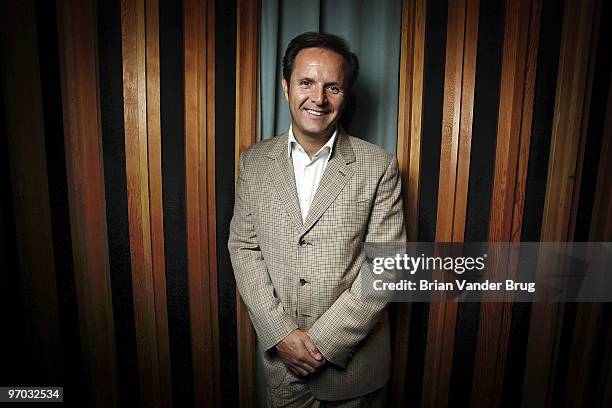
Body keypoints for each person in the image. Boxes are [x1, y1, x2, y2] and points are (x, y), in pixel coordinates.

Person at [229, 32, 406, 407]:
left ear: (346, 94)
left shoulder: (379, 165)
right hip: (281, 367)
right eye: (306, 82)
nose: (318, 98)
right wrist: (280, 334)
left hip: (353, 372)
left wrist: (322, 345)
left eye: (333, 87)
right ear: (285, 86)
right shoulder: (253, 162)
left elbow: (387, 266)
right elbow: (244, 248)